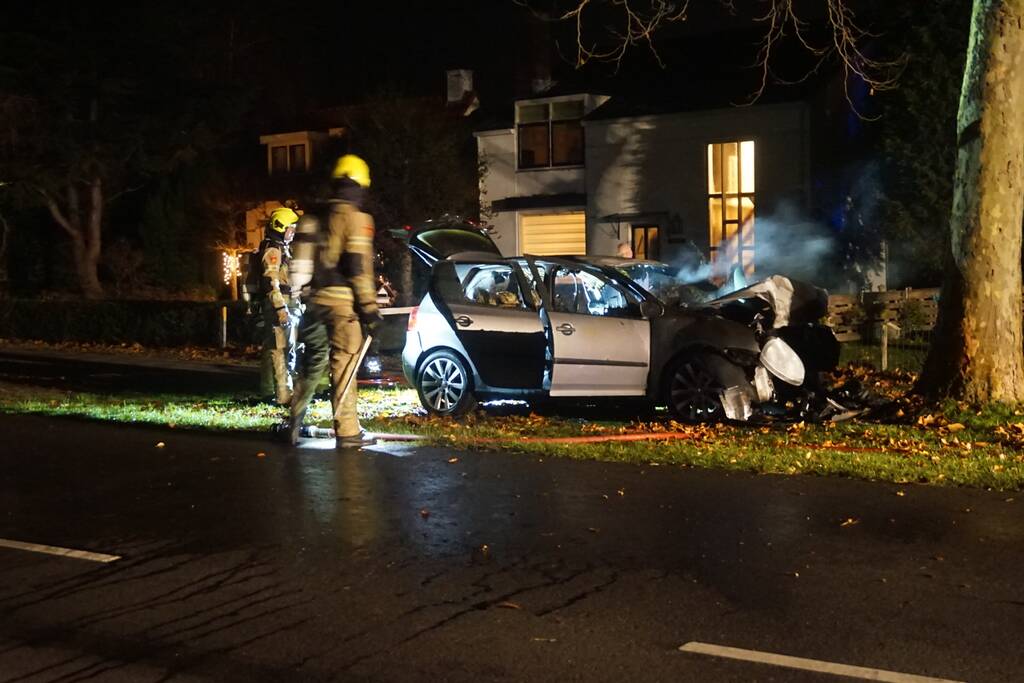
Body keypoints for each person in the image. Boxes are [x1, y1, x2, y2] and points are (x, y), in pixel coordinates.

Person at [287, 154, 382, 448]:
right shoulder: (357, 218)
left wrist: (302, 295)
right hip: (344, 306)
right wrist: (369, 309)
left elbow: (300, 266)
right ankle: (348, 432)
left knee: (313, 362)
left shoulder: (314, 217)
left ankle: (294, 417)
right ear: (359, 186)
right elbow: (357, 267)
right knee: (345, 365)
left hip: (315, 302)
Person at [258, 206, 299, 405]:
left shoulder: (282, 248)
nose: (293, 232)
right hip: (280, 304)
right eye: (291, 228)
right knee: (281, 350)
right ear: (280, 227)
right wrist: (281, 308)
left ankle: (271, 392)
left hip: (285, 303)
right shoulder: (273, 250)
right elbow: (271, 281)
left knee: (279, 348)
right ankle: (284, 394)